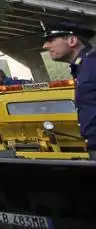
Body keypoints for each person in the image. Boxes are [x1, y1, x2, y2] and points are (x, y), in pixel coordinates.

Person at [42, 20, 96, 157]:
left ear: (72, 40)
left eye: (51, 40)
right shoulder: (83, 68)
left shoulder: (92, 66)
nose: (46, 45)